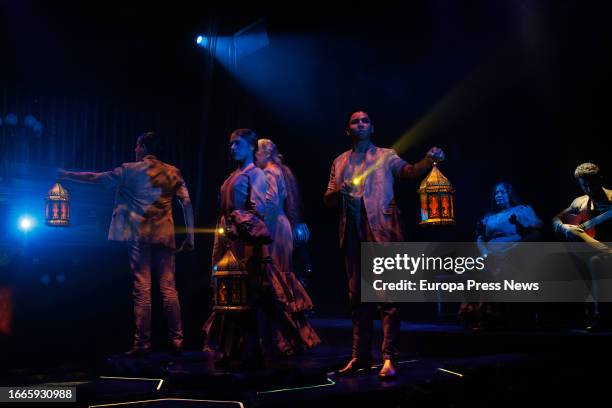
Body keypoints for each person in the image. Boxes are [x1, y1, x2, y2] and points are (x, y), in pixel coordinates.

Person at [324, 110, 445, 379]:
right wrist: (339, 192)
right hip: (352, 233)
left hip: (382, 232)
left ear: (372, 127)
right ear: (348, 130)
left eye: (364, 120)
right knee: (357, 298)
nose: (360, 124)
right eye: (355, 121)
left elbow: (410, 172)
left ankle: (389, 357)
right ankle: (360, 356)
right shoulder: (340, 161)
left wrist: (429, 159)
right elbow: (328, 199)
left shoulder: (386, 155)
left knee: (387, 299)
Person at [59, 131, 195, 356]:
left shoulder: (129, 170)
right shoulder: (173, 172)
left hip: (139, 235)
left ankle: (142, 344)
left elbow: (96, 178)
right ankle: (177, 340)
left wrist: (66, 174)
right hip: (165, 236)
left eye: (137, 146)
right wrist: (190, 237)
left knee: (142, 289)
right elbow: (187, 203)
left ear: (142, 147)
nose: (135, 150)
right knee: (169, 289)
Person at [203, 129, 269, 369]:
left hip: (243, 241)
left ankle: (247, 350)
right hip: (225, 239)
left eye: (237, 143)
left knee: (245, 294)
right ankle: (228, 349)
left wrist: (238, 223)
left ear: (251, 146)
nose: (232, 148)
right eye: (230, 144)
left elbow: (257, 209)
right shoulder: (233, 175)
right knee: (225, 292)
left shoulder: (257, 174)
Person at [255, 138, 320, 356]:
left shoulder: (270, 172)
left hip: (273, 227)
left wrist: (251, 211)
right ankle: (288, 337)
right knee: (281, 276)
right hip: (280, 226)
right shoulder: (280, 170)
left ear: (265, 153)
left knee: (277, 279)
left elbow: (271, 201)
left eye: (257, 152)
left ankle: (284, 339)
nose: (255, 156)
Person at [462, 182, 542, 330]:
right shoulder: (489, 217)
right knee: (471, 269)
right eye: (496, 193)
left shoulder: (520, 210)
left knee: (494, 271)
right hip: (490, 253)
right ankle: (473, 312)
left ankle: (486, 315)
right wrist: (485, 253)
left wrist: (513, 250)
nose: (498, 195)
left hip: (513, 253)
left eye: (502, 192)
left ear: (509, 195)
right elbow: (480, 237)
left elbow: (536, 233)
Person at [553, 163, 612, 331]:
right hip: (591, 251)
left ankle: (601, 316)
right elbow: (556, 218)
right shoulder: (580, 202)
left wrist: (580, 235)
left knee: (596, 261)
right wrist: (564, 227)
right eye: (584, 185)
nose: (588, 188)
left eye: (592, 184)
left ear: (600, 179)